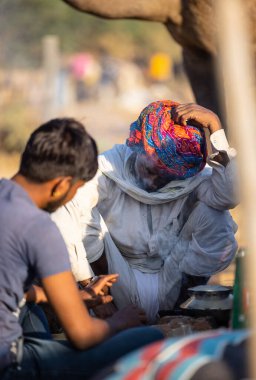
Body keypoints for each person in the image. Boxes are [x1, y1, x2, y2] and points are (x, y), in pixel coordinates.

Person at [0, 118, 163, 380]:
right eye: (76, 189)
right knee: (149, 337)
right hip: (10, 365)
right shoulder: (39, 228)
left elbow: (12, 287)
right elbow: (83, 336)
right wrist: (121, 321)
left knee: (34, 310)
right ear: (62, 185)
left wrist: (81, 298)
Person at [52, 101, 238, 323]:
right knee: (78, 213)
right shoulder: (108, 167)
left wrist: (216, 129)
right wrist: (91, 288)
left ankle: (183, 312)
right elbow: (64, 215)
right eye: (151, 170)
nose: (154, 181)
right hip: (114, 281)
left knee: (215, 215)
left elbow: (229, 196)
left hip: (173, 281)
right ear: (137, 147)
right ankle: (99, 300)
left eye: (166, 176)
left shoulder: (190, 173)